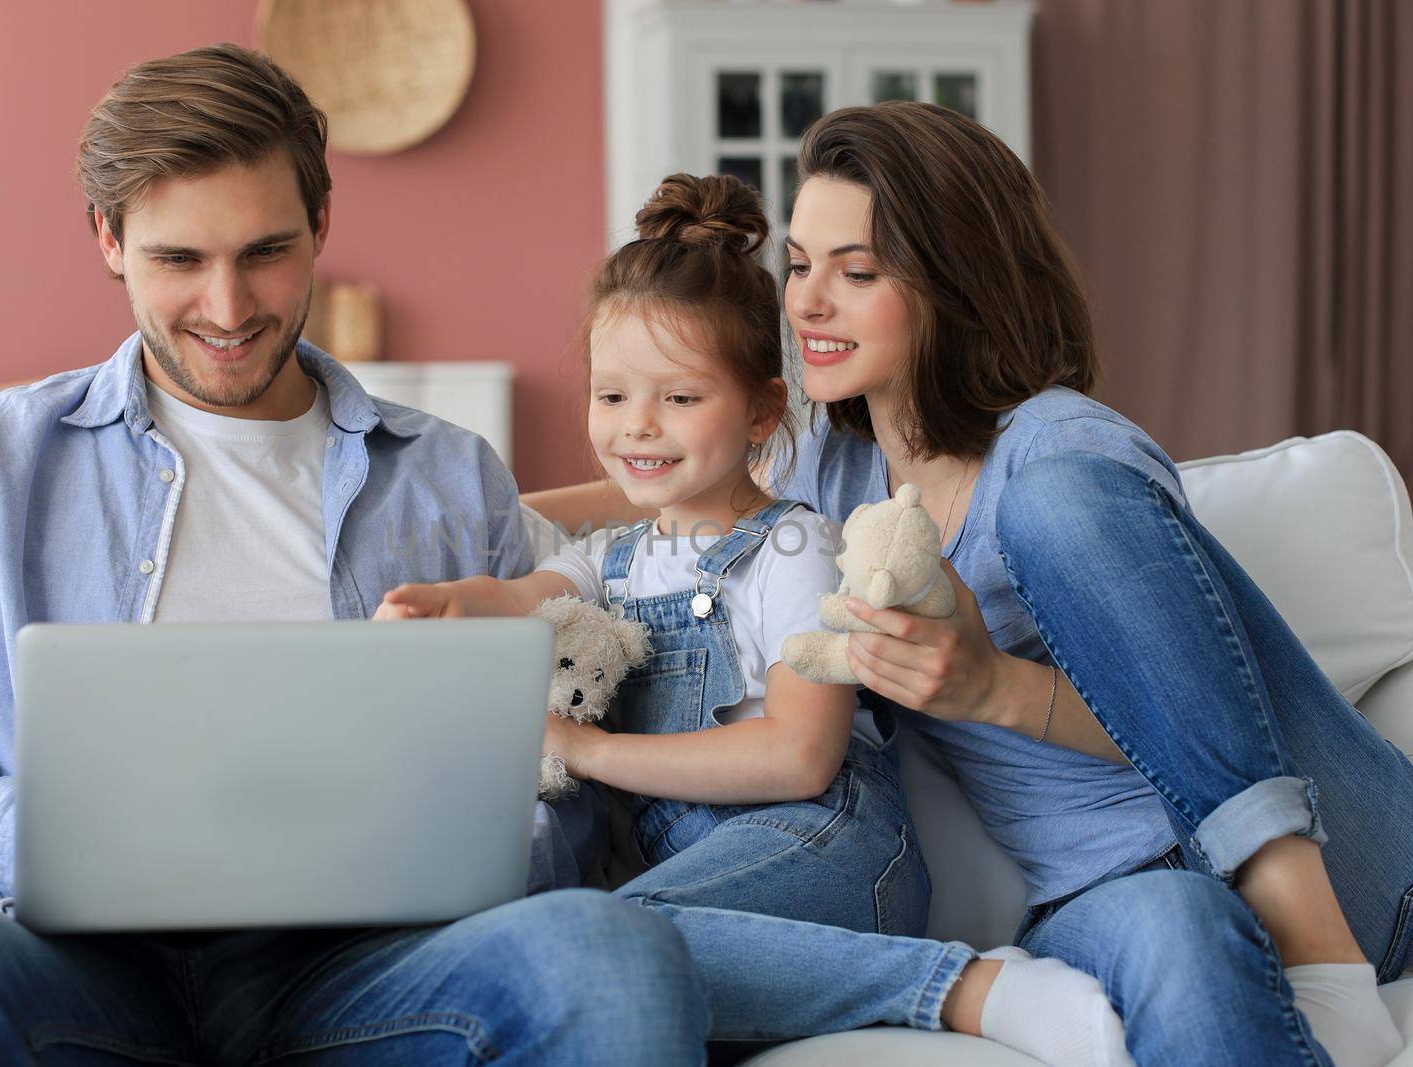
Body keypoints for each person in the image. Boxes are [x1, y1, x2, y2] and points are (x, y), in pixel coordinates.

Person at [0, 44, 708, 1065]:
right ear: (109, 239)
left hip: (370, 972)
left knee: (613, 956)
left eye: (265, 252)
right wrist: (68, 834)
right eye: (179, 260)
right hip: (67, 965)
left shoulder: (452, 478)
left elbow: (567, 784)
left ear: (322, 225)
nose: (230, 308)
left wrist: (456, 841)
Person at [526, 104, 1413, 1066]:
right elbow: (667, 477)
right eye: (800, 264)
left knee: (1058, 502)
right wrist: (488, 514)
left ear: (955, 284)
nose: (809, 304)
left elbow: (1214, 700)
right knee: (1180, 937)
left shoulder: (1065, 448)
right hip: (1115, 889)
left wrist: (994, 688)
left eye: (856, 272)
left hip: (1335, 853)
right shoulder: (833, 463)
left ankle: (1318, 948)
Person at [378, 173, 1132, 1065]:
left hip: (829, 848)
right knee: (571, 959)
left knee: (598, 944)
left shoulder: (791, 546)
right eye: (612, 395)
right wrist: (445, 603)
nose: (637, 427)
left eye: (680, 398)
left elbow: (800, 754)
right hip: (716, 881)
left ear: (764, 412)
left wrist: (583, 749)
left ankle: (965, 986)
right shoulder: (609, 555)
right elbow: (518, 598)